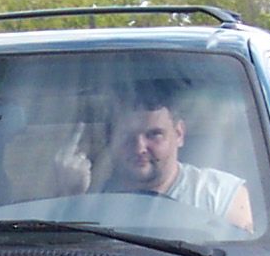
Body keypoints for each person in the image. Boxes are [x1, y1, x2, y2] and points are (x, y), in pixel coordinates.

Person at [103, 93, 256, 234]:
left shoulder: (220, 195)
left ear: (178, 134)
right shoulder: (94, 199)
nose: (139, 148)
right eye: (127, 136)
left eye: (154, 135)